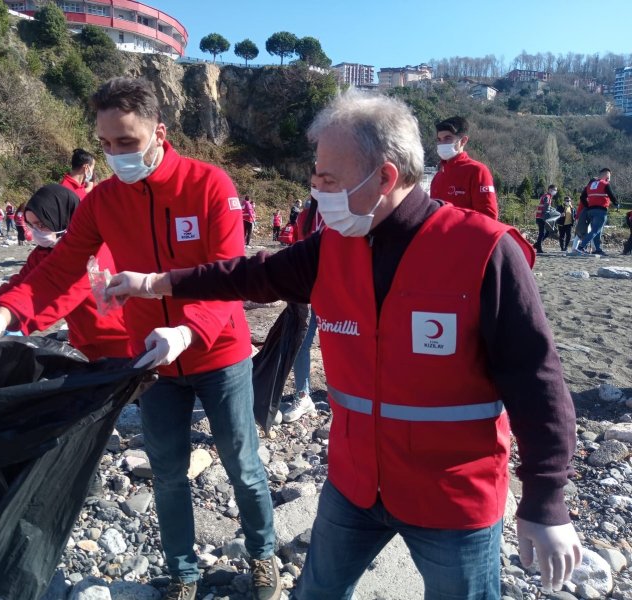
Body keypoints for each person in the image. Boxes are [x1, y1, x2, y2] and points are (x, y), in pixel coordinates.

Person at [105, 91, 582, 599]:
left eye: (327, 181)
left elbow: (537, 380)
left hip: (452, 500)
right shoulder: (332, 246)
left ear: (384, 177)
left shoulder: (485, 251)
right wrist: (153, 283)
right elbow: (249, 275)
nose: (316, 193)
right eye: (314, 179)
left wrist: (546, 500)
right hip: (354, 486)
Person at [0, 77, 281, 600]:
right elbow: (57, 268)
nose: (115, 155)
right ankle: (183, 573)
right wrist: (3, 316)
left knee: (242, 463)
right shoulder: (103, 200)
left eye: (126, 142)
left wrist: (187, 329)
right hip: (151, 358)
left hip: (219, 352)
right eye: (105, 144)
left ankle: (263, 556)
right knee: (167, 471)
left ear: (159, 131)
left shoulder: (209, 185)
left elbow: (230, 276)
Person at [0, 184, 130, 361]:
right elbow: (19, 285)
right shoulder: (43, 253)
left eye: (41, 225)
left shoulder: (93, 252)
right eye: (31, 225)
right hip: (85, 344)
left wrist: (10, 321)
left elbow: (56, 296)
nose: (36, 232)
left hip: (122, 343)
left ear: (61, 218)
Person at [283, 188, 324, 423]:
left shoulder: (345, 213)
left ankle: (348, 397)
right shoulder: (303, 216)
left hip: (337, 293)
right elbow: (299, 255)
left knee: (342, 345)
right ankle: (303, 395)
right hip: (309, 291)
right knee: (302, 344)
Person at [429, 116, 498, 220]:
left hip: (465, 235)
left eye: (448, 138)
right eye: (439, 139)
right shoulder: (438, 176)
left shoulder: (477, 171)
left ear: (463, 141)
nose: (442, 144)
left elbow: (488, 217)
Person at [578, 168, 620, 256]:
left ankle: (597, 249)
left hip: (590, 211)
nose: (609, 178)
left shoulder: (590, 185)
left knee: (597, 231)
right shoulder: (605, 184)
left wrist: (588, 206)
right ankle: (581, 247)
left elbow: (582, 197)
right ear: (606, 175)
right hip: (600, 210)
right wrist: (616, 204)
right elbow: (612, 196)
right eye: (609, 176)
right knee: (595, 230)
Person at [533, 184, 557, 253]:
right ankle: (538, 248)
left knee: (546, 232)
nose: (555, 191)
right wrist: (548, 215)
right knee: (542, 233)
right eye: (555, 190)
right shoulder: (547, 196)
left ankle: (537, 245)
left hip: (540, 217)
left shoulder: (547, 196)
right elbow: (546, 207)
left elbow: (547, 207)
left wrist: (553, 210)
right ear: (550, 190)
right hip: (541, 217)